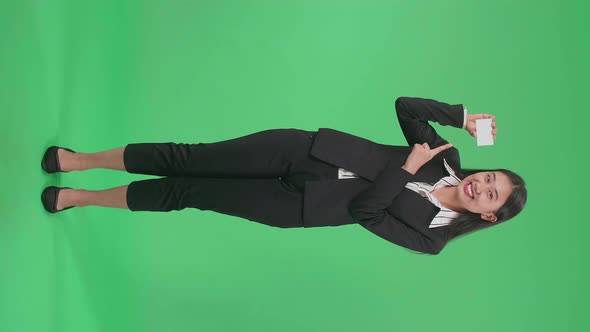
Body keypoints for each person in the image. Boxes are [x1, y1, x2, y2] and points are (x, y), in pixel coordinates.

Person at [40, 97, 527, 255]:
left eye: (491, 195)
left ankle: (79, 197)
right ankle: (78, 160)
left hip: (299, 207)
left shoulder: (432, 238)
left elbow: (365, 212)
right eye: (490, 178)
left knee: (186, 193)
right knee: (188, 157)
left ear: (488, 217)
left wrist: (403, 169)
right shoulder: (445, 155)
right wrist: (459, 117)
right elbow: (405, 107)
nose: (481, 185)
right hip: (307, 152)